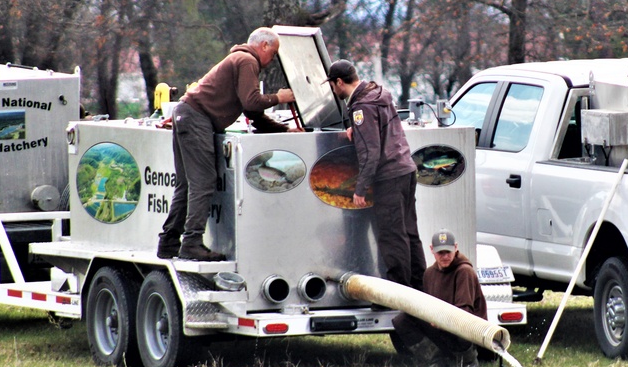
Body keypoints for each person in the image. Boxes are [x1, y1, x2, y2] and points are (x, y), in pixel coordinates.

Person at [157, 27, 295, 261]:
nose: (272, 60)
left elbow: (252, 111)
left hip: (187, 114)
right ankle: (191, 243)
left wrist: (287, 130)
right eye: (273, 53)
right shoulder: (247, 60)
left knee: (186, 184)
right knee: (203, 181)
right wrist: (279, 98)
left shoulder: (240, 59)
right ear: (263, 45)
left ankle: (169, 243)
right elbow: (252, 101)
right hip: (196, 118)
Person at [324, 59, 426, 289]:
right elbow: (380, 131)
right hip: (405, 169)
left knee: (391, 236)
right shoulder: (378, 95)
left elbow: (371, 152)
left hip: (388, 177)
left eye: (332, 84)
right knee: (409, 233)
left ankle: (396, 293)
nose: (333, 89)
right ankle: (420, 290)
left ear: (339, 82)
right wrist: (357, 131)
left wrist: (361, 188)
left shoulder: (361, 107)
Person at [393, 229, 488, 367]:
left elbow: (464, 312)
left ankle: (469, 363)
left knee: (463, 320)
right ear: (432, 250)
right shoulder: (429, 274)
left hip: (466, 329)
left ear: (456, 248)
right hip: (440, 327)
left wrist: (442, 320)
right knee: (402, 320)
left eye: (448, 252)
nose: (444, 256)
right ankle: (437, 361)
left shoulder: (464, 272)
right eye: (440, 253)